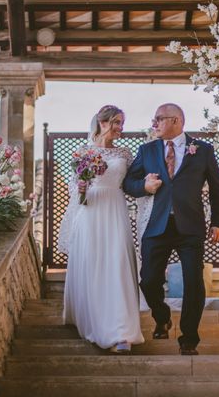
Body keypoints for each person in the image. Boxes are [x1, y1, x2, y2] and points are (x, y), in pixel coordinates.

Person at [123, 103, 219, 356]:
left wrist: (218, 223)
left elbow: (216, 189)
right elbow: (128, 182)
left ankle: (189, 338)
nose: (154, 124)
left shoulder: (202, 150)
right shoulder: (146, 150)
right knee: (148, 281)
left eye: (159, 119)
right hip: (155, 225)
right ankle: (162, 317)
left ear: (176, 121)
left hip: (190, 227)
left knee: (194, 282)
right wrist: (143, 188)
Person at [58, 105, 145, 353]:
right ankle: (91, 317)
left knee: (117, 263)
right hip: (90, 211)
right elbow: (75, 191)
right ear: (102, 122)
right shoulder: (82, 152)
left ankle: (122, 331)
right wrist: (82, 190)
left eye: (122, 123)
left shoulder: (125, 153)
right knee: (93, 263)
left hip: (115, 210)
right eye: (116, 122)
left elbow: (131, 184)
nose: (120, 128)